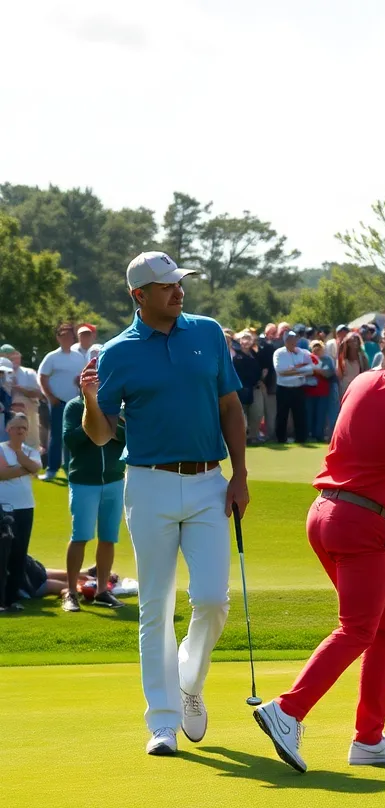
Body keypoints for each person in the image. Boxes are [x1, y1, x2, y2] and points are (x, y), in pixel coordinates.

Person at [253, 314, 385, 772]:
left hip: (324, 514)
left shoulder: (363, 381)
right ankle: (288, 710)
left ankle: (368, 739)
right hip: (360, 523)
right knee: (359, 629)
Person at [81, 251, 249, 755]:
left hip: (207, 483)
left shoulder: (207, 332)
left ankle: (189, 683)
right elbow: (101, 434)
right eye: (166, 286)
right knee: (156, 605)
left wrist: (239, 474)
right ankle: (162, 723)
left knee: (213, 600)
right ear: (139, 295)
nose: (179, 291)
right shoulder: (117, 352)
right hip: (149, 484)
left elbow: (230, 406)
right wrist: (91, 402)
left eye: (180, 283)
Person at [60, 392, 127, 612]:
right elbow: (70, 439)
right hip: (84, 481)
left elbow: (127, 436)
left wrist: (102, 424)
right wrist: (95, 423)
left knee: (108, 538)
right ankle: (71, 592)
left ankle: (101, 591)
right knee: (80, 536)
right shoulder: (74, 406)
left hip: (114, 480)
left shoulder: (117, 406)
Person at [37, 323, 88, 480]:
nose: (67, 339)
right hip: (58, 403)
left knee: (74, 436)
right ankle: (52, 469)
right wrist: (50, 397)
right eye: (63, 336)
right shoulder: (52, 357)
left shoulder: (78, 357)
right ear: (58, 338)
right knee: (57, 436)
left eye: (70, 336)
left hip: (75, 403)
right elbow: (43, 377)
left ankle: (72, 468)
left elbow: (83, 376)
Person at [0, 413, 40, 612]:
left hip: (26, 507)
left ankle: (13, 597)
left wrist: (20, 457)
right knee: (3, 553)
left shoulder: (30, 451)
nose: (20, 431)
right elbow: (1, 474)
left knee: (19, 552)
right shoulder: (0, 448)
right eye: (16, 427)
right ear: (8, 429)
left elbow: (36, 467)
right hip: (4, 509)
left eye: (24, 428)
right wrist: (25, 467)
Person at [273, 331, 313, 444]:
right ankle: (281, 439)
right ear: (285, 341)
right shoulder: (279, 353)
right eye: (290, 339)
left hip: (298, 387)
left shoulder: (302, 352)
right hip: (283, 388)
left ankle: (301, 438)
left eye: (294, 339)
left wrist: (293, 370)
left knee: (300, 414)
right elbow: (280, 371)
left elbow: (310, 369)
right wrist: (300, 371)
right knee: (282, 415)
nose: (293, 342)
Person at [306, 341, 335, 443]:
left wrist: (317, 371)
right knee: (309, 414)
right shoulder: (307, 358)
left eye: (319, 348)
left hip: (323, 392)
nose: (317, 350)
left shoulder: (327, 360)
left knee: (321, 415)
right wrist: (317, 371)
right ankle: (309, 435)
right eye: (315, 347)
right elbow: (303, 372)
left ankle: (319, 435)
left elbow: (330, 373)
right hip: (309, 391)